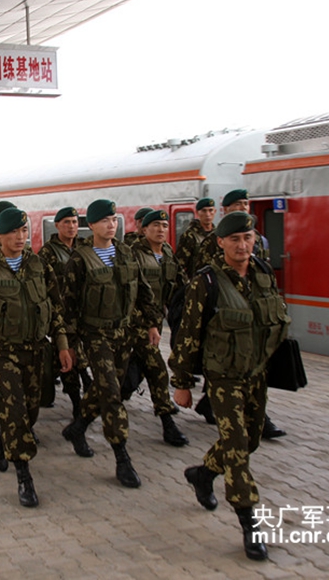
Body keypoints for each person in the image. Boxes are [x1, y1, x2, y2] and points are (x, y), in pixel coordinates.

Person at [169, 211, 290, 561]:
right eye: (234, 239)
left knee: (249, 440)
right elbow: (188, 336)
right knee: (236, 446)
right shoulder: (206, 283)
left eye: (247, 238)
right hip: (223, 379)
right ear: (220, 242)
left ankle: (203, 473)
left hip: (257, 375)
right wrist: (182, 383)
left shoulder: (264, 275)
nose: (242, 245)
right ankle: (249, 522)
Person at [0, 207, 72, 507]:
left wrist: (62, 344)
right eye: (13, 232)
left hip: (36, 349)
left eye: (24, 232)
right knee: (14, 411)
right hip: (1, 352)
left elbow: (56, 307)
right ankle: (24, 477)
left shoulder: (39, 265)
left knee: (30, 413)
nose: (19, 237)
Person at [60, 199, 161, 488]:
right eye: (104, 221)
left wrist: (152, 324)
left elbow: (143, 292)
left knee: (106, 388)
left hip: (124, 335)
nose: (111, 225)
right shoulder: (79, 260)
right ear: (90, 225)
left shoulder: (127, 253)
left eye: (114, 220)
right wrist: (69, 344)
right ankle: (122, 457)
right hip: (95, 336)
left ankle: (78, 428)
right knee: (112, 395)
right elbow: (67, 306)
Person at [191, 189, 285, 439]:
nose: (243, 207)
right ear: (226, 209)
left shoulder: (258, 240)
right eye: (237, 205)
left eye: (246, 203)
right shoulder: (212, 241)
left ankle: (217, 405)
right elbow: (198, 273)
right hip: (222, 311)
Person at [126, 210, 188, 446]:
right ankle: (167, 423)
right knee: (157, 370)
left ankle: (84, 419)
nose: (161, 230)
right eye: (156, 226)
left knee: (123, 377)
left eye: (164, 225)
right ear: (144, 229)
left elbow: (179, 284)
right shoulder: (133, 254)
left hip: (154, 322)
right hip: (136, 322)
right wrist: (151, 322)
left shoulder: (169, 253)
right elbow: (133, 294)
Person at [37, 206, 88, 418]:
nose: (71, 226)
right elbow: (42, 286)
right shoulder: (47, 252)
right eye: (66, 222)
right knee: (71, 357)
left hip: (84, 313)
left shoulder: (85, 248)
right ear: (57, 225)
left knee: (78, 356)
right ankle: (77, 403)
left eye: (75, 222)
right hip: (61, 314)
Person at [175, 197, 216, 279]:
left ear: (215, 212)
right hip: (197, 282)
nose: (208, 214)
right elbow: (179, 265)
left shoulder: (218, 235)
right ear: (197, 213)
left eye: (210, 210)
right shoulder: (190, 236)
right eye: (204, 211)